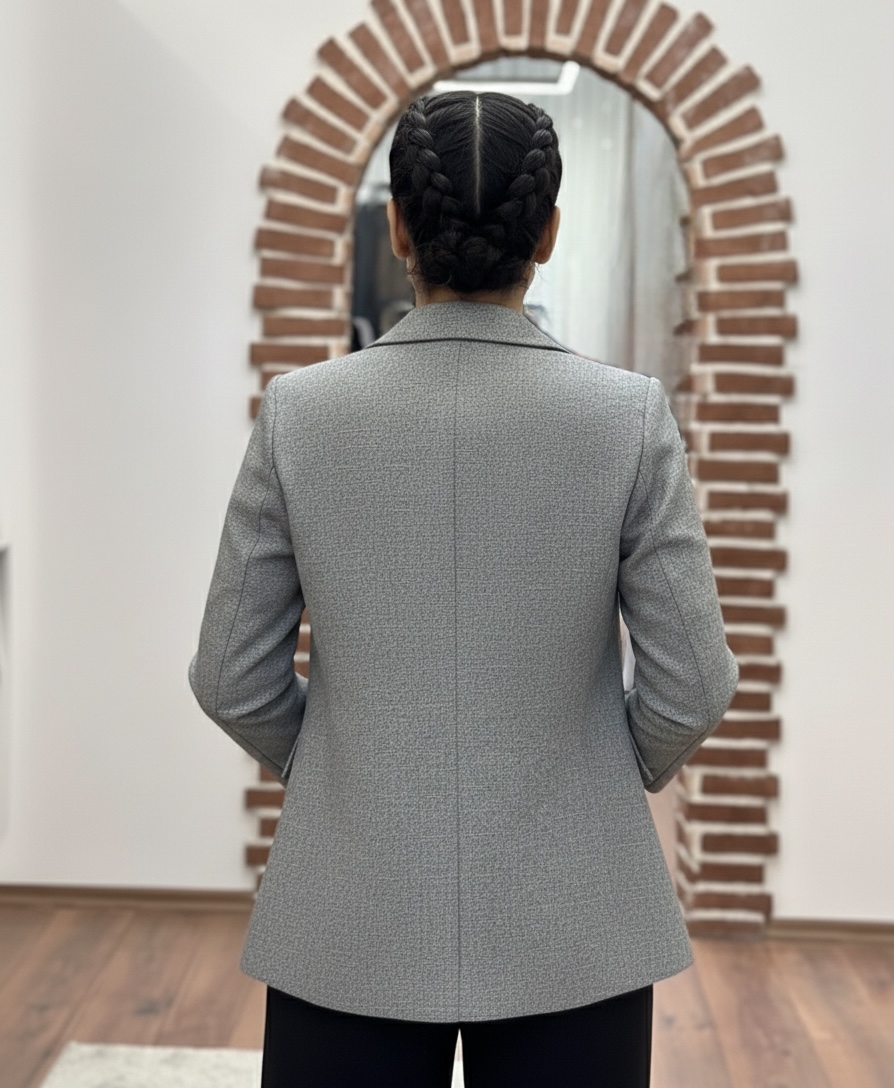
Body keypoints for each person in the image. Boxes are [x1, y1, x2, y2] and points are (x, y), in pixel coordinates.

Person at [189, 90, 739, 1088]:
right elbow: (694, 684)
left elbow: (231, 675)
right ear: (548, 232)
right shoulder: (626, 416)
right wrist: (596, 771)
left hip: (349, 905)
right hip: (577, 916)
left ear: (399, 227)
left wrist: (342, 763)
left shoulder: (301, 412)